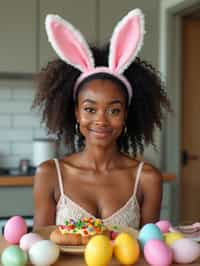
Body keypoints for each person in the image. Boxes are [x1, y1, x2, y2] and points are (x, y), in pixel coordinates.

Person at [32, 9, 171, 230]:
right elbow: (40, 250)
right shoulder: (49, 174)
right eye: (90, 109)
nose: (101, 121)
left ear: (126, 114)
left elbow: (150, 253)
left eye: (113, 110)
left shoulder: (147, 178)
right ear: (76, 112)